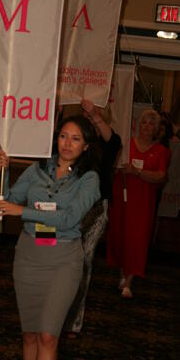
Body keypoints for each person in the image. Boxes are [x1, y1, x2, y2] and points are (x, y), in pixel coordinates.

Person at [0, 115, 101, 360]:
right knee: (29, 335)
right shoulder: (37, 169)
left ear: (86, 146)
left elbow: (69, 219)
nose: (67, 143)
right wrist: (0, 173)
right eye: (63, 136)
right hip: (29, 257)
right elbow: (5, 202)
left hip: (63, 260)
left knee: (48, 336)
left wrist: (24, 212)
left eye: (76, 138)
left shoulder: (89, 179)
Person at [64, 100, 121, 335]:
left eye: (92, 120)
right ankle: (56, 312)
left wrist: (95, 114)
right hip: (69, 209)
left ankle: (74, 320)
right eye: (84, 119)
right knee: (62, 260)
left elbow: (115, 141)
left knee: (83, 261)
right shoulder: (72, 146)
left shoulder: (105, 146)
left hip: (96, 211)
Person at [107, 109, 167, 298]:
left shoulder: (161, 151)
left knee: (137, 239)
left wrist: (137, 172)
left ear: (156, 129)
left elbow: (160, 175)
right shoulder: (126, 144)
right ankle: (122, 275)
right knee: (119, 235)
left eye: (151, 123)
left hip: (142, 204)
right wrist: (119, 169)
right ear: (138, 125)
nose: (147, 126)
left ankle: (129, 281)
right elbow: (112, 166)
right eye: (144, 122)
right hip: (121, 198)